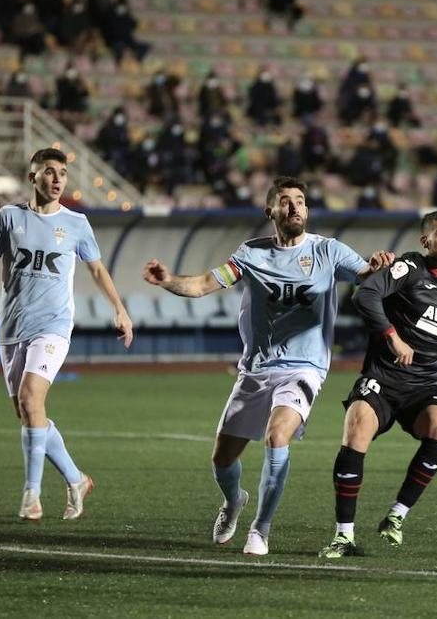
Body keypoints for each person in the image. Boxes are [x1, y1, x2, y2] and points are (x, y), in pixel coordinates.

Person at [143, 177, 392, 556]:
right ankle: (233, 502)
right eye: (286, 201)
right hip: (256, 369)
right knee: (223, 460)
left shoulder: (329, 251)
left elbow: (368, 278)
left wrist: (378, 269)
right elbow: (206, 283)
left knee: (278, 437)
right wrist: (170, 281)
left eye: (301, 201)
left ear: (307, 210)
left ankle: (260, 529)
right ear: (270, 211)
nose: (295, 207)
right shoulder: (251, 254)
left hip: (304, 368)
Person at [0, 148, 133, 521]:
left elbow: (98, 270)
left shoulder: (76, 223)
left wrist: (119, 309)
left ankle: (31, 494)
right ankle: (76, 479)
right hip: (11, 327)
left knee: (31, 396)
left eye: (62, 174)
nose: (57, 179)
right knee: (27, 412)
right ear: (32, 177)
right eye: (49, 172)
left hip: (53, 325)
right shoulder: (8, 217)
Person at [318, 210, 437, 558]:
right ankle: (343, 535)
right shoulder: (410, 268)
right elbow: (365, 295)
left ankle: (396, 516)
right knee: (356, 428)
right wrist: (392, 337)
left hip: (424, 385)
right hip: (381, 379)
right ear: (425, 240)